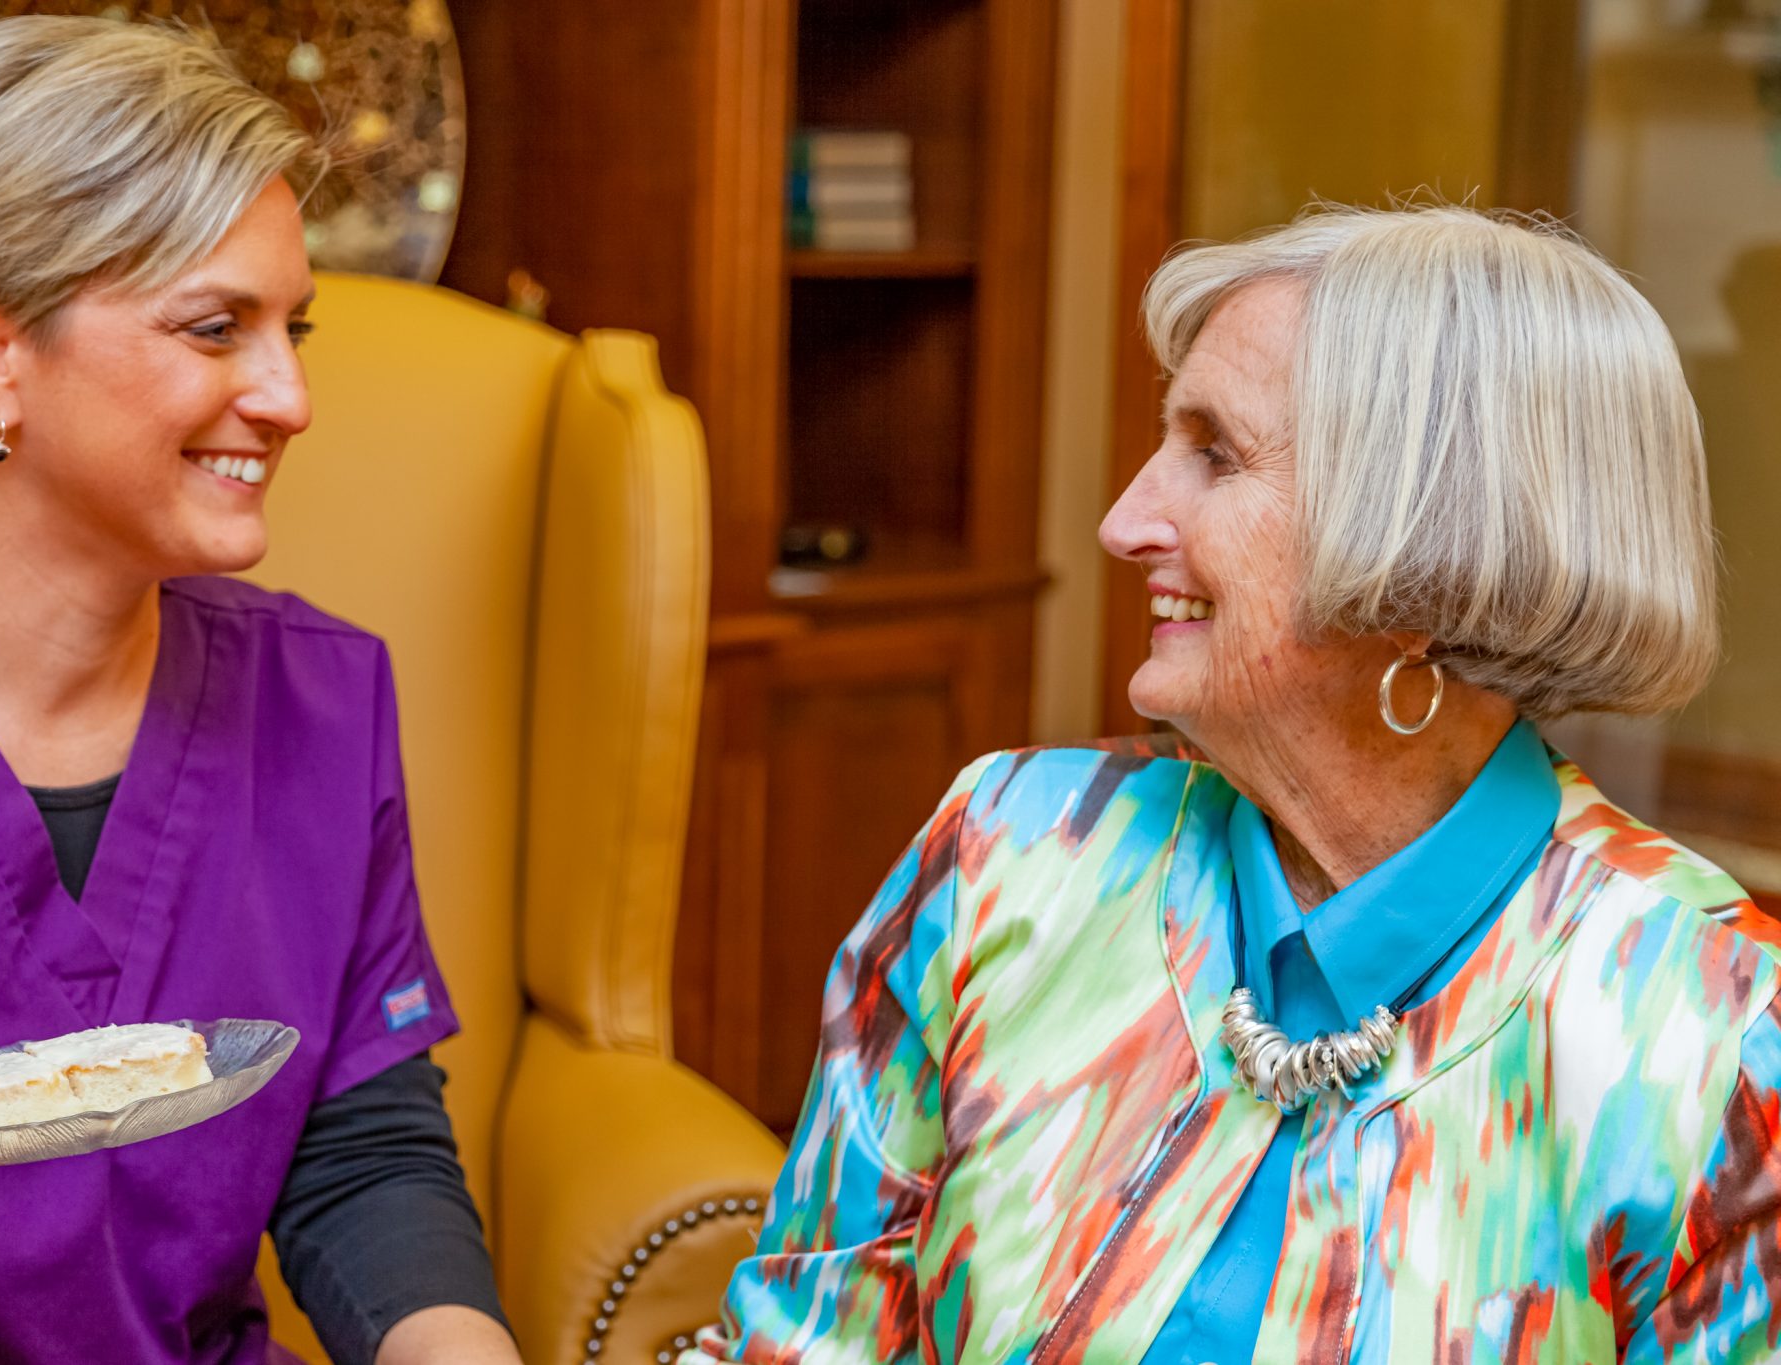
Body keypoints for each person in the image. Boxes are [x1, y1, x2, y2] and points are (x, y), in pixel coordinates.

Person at [686, 205, 1781, 1362]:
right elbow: (802, 1343)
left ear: (1432, 543)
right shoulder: (1010, 857)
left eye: (1213, 453)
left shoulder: (1705, 1028)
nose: (1121, 522)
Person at [0, 17, 519, 1365]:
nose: (291, 396)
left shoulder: (326, 698)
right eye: (217, 327)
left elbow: (363, 1153)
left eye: (295, 329)